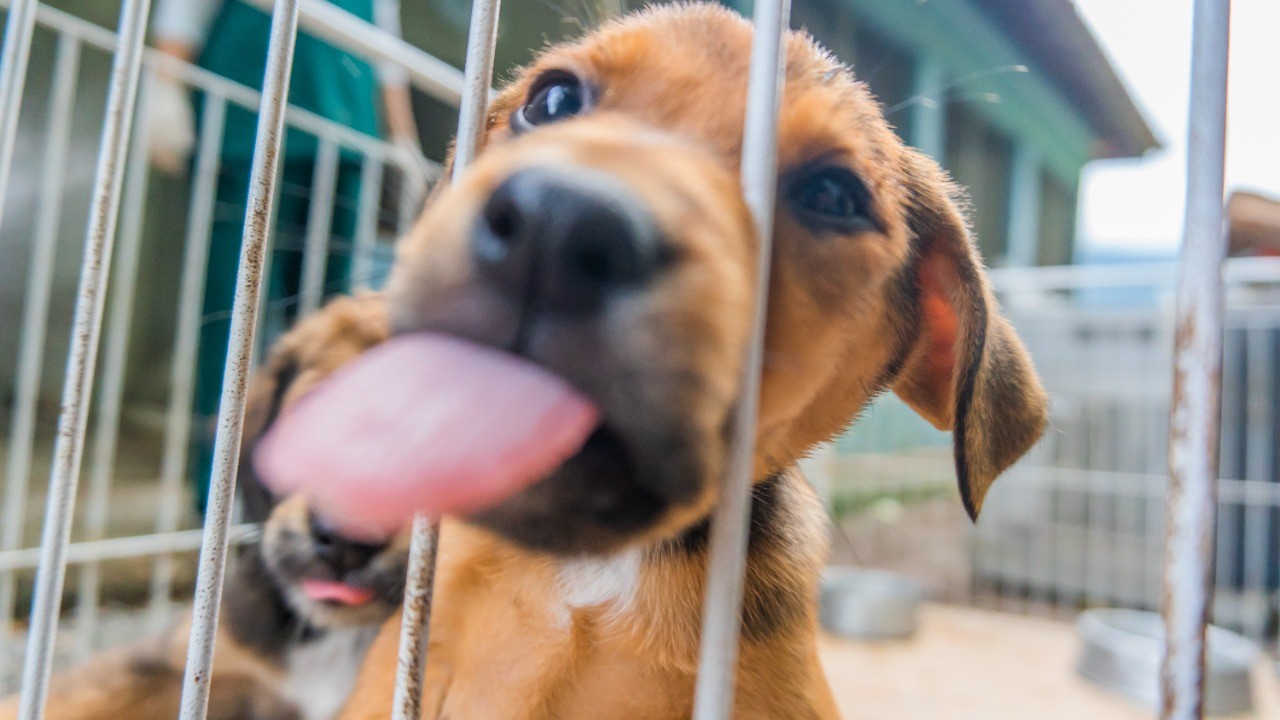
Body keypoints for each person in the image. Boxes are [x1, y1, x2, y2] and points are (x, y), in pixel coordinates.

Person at [150, 0, 420, 510]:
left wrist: (401, 136)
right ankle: (218, 489)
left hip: (345, 134)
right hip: (244, 120)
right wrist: (166, 82)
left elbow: (385, 44)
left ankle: (304, 485)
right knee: (230, 318)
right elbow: (184, 10)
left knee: (327, 322)